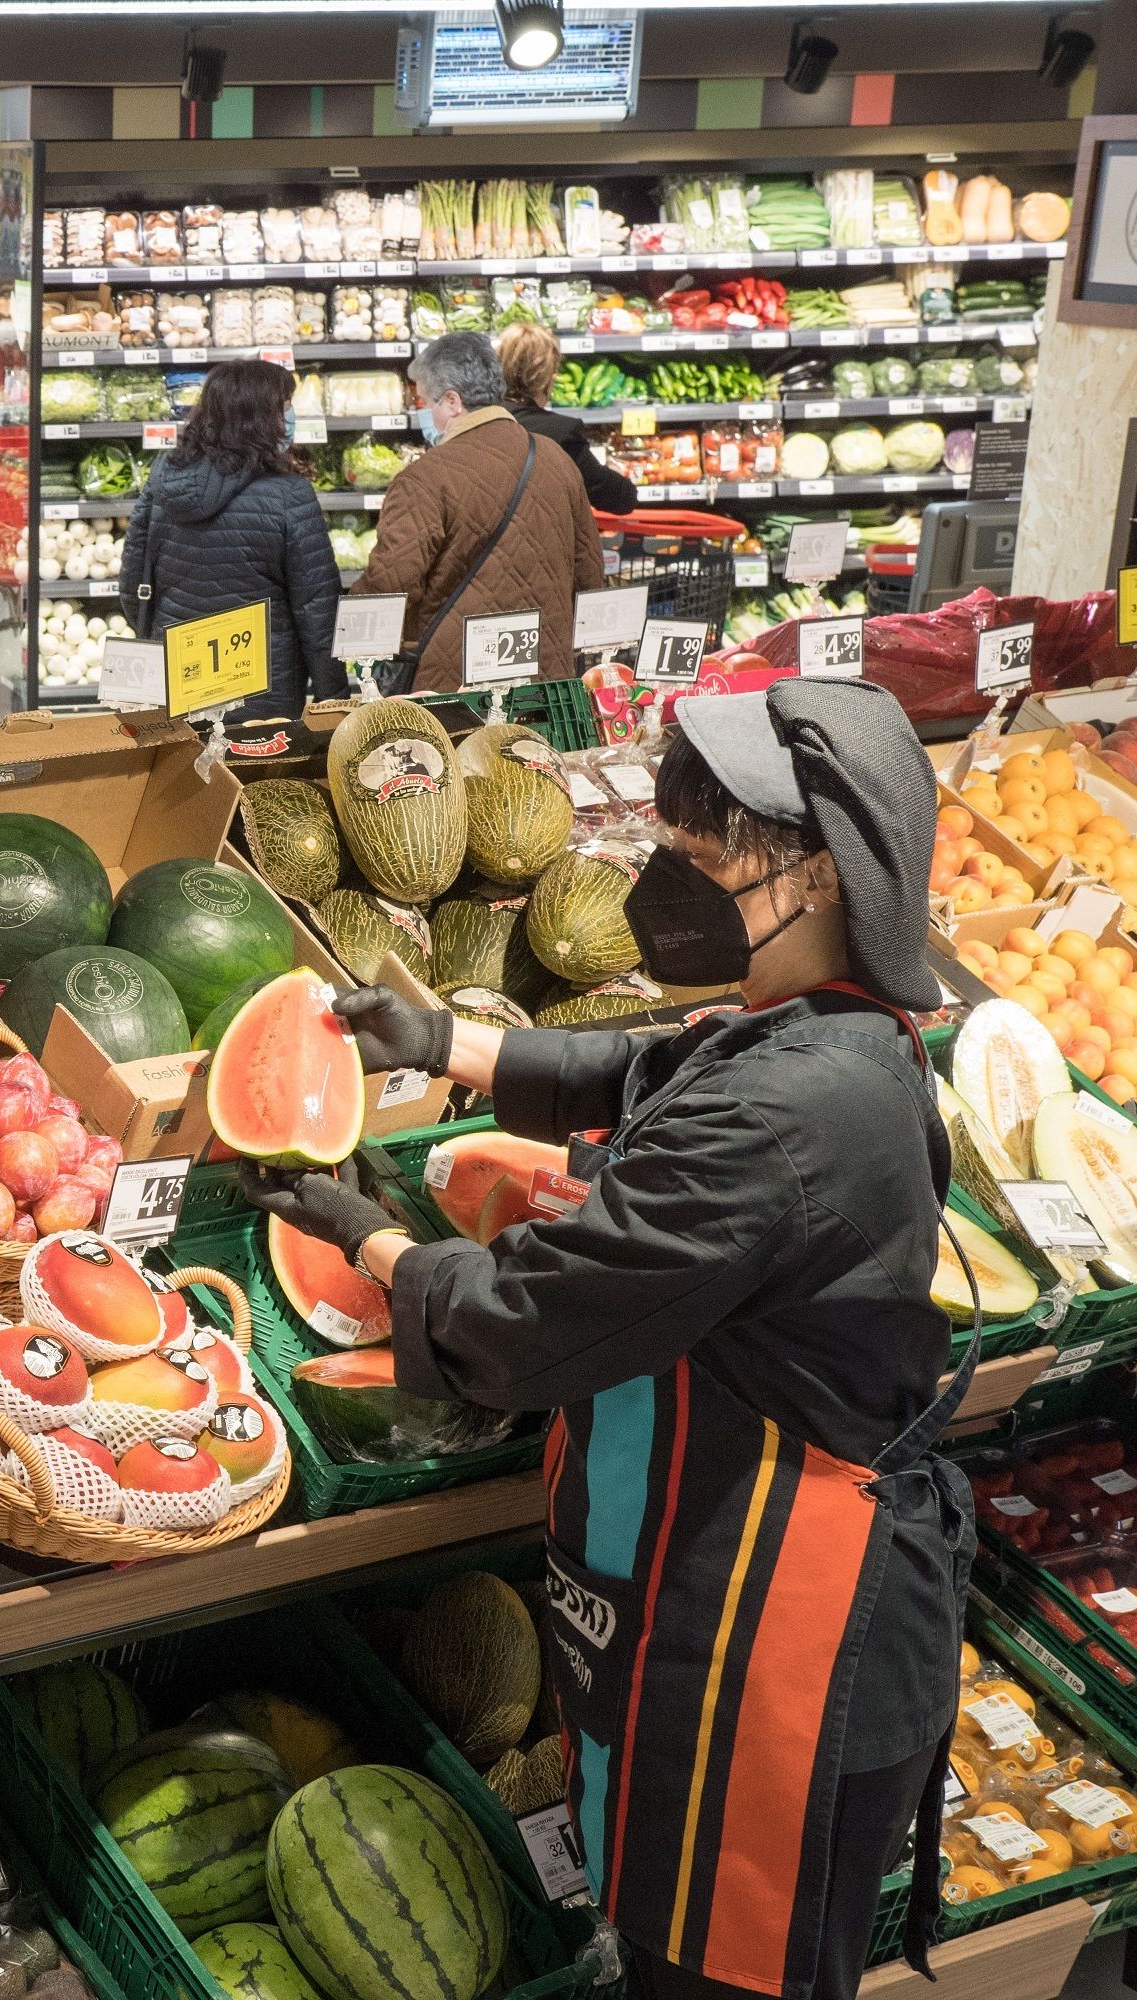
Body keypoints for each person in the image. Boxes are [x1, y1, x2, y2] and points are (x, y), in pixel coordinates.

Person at [250, 679, 966, 2000]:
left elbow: (523, 1332)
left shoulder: (788, 1115)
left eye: (703, 856)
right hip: (717, 1597)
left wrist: (370, 1239)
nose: (666, 878)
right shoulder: (824, 1022)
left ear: (816, 874)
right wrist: (447, 1044)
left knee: (712, 1974)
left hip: (770, 1654)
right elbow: (654, 1070)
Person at [356, 330, 604, 692]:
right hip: (548, 680)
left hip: (456, 687)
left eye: (426, 402)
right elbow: (589, 572)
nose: (426, 414)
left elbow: (390, 585)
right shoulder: (555, 458)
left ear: (453, 402)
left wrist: (348, 624)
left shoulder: (423, 479)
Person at [119, 358, 340, 732]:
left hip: (179, 678)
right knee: (264, 786)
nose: (292, 416)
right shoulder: (289, 494)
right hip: (264, 688)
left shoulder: (162, 481)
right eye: (286, 407)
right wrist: (331, 698)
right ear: (262, 417)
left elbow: (132, 584)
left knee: (190, 783)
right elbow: (317, 608)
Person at [497, 322, 640, 515]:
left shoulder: (476, 421)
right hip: (541, 540)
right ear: (548, 377)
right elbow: (617, 497)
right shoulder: (561, 433)